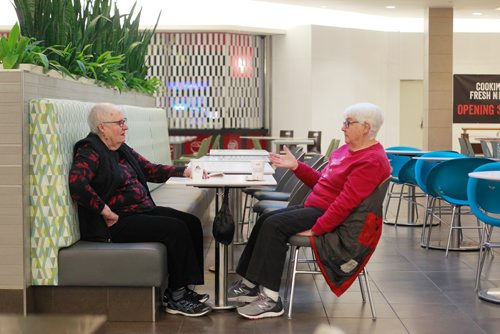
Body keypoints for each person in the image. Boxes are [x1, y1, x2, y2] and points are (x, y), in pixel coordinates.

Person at [228, 102, 391, 320]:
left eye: (347, 123)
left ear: (365, 127)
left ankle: (271, 298)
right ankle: (250, 284)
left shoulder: (371, 160)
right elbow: (322, 183)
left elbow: (346, 203)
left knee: (274, 226)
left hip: (329, 215)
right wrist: (297, 166)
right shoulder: (345, 151)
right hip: (315, 206)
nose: (342, 127)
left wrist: (318, 229)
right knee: (266, 218)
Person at [68, 103, 211, 317]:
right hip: (115, 222)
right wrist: (105, 211)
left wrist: (185, 170)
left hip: (140, 211)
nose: (125, 127)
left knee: (190, 222)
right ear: (102, 128)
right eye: (119, 122)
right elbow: (77, 184)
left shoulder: (121, 149)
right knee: (175, 229)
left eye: (124, 121)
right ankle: (176, 299)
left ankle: (184, 289)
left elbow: (150, 169)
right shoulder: (90, 150)